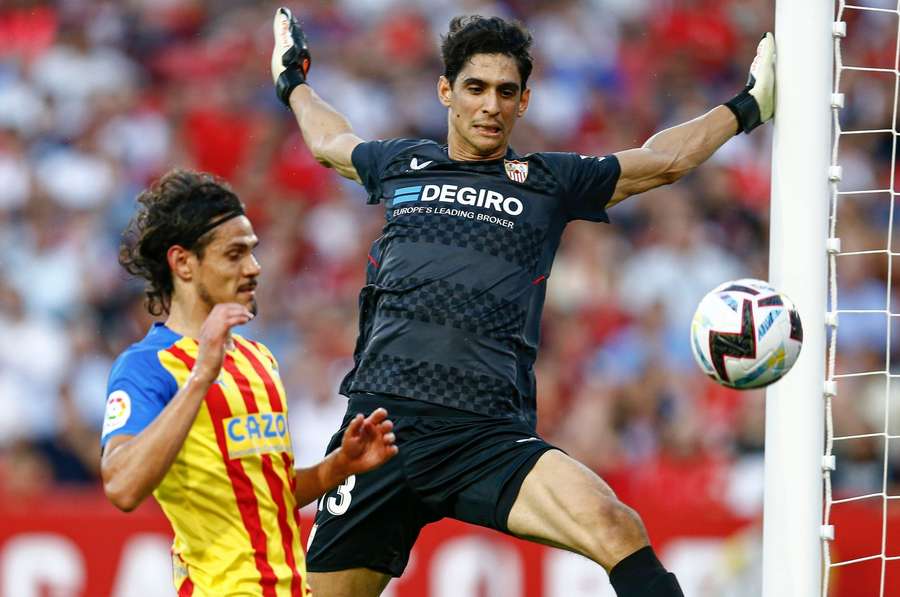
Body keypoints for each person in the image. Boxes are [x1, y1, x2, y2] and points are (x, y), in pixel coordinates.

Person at [271, 8, 775, 597]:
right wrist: (294, 84)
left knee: (616, 525)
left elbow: (664, 160)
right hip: (379, 435)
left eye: (506, 92)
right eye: (476, 88)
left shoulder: (546, 181)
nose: (491, 105)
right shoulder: (401, 164)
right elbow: (331, 142)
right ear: (446, 92)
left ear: (525, 102)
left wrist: (748, 107)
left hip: (483, 436)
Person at [99, 169, 399, 596]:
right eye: (235, 254)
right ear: (183, 262)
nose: (254, 268)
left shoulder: (259, 360)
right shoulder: (148, 366)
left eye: (252, 252)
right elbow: (121, 486)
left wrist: (338, 467)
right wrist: (203, 376)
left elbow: (265, 493)